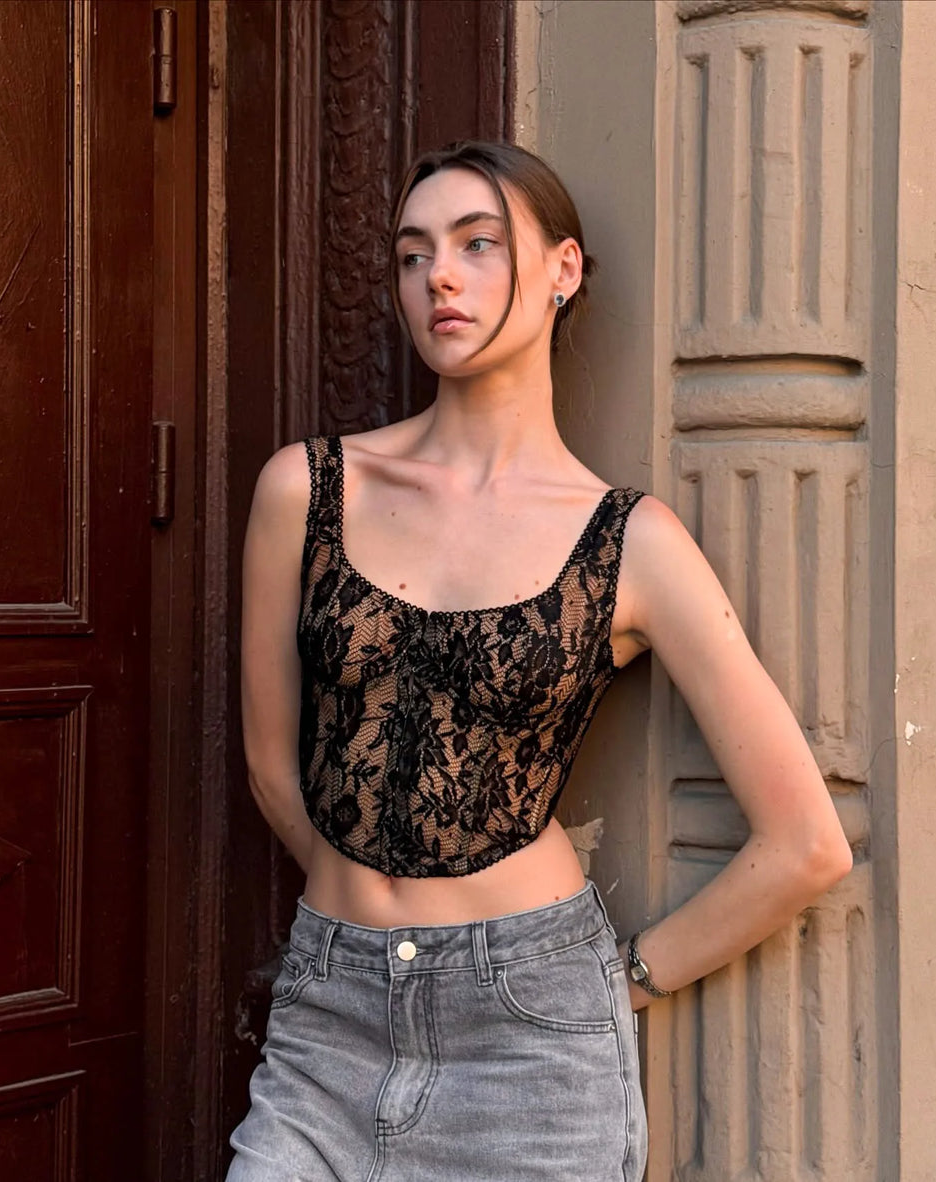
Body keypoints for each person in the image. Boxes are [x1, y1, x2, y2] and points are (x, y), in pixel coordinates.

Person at [226, 141, 853, 1182]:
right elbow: (269, 767)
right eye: (413, 253)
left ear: (561, 270)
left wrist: (612, 983)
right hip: (325, 1025)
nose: (441, 278)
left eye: (479, 245)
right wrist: (364, 908)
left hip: (530, 1044)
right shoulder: (306, 489)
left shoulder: (630, 543)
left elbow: (805, 845)